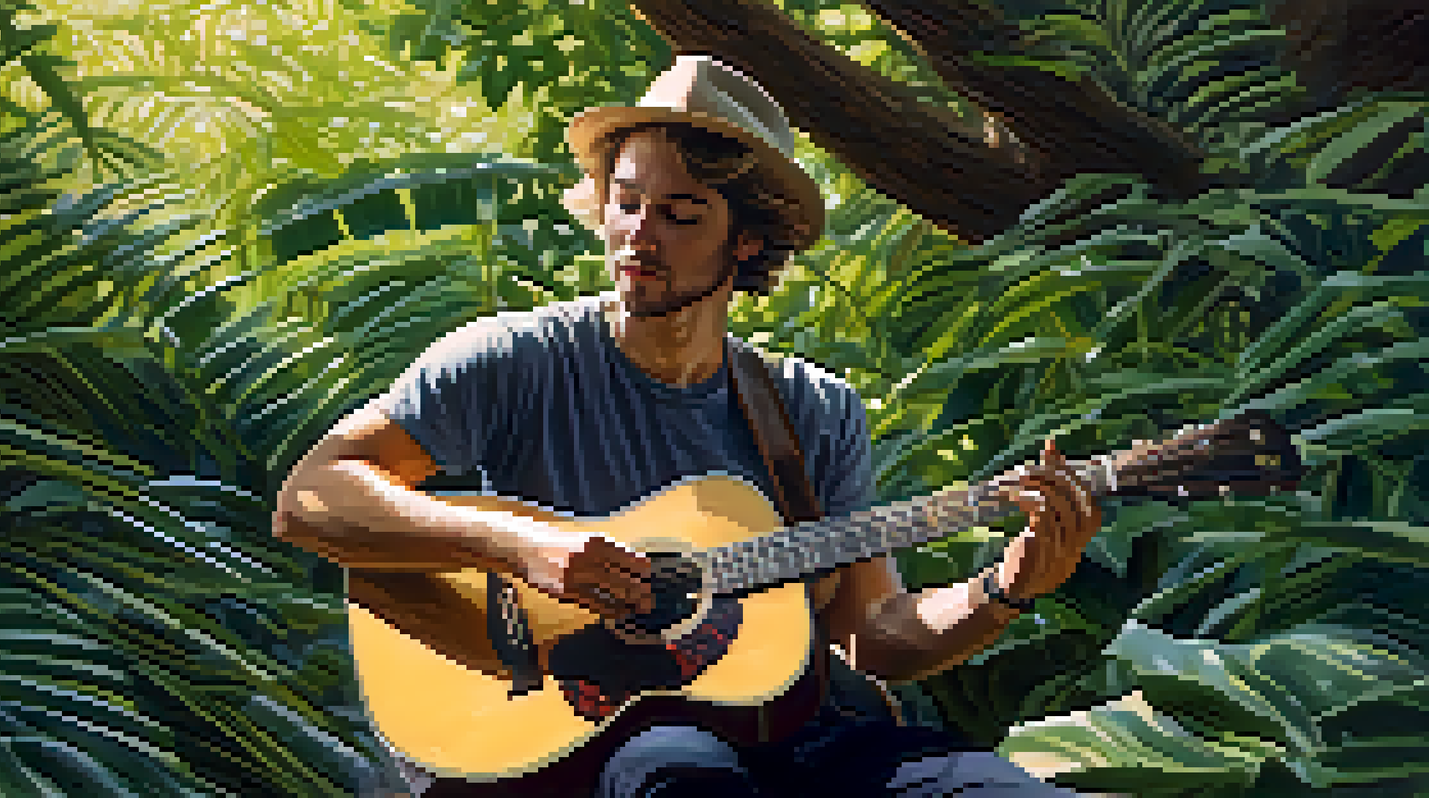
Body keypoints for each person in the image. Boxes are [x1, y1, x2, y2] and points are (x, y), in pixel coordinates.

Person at [274, 55, 1104, 797]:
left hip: (805, 736)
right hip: (611, 739)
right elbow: (309, 497)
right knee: (675, 766)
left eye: (679, 214)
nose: (638, 235)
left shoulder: (810, 410)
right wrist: (515, 545)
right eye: (626, 203)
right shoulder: (514, 360)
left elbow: (870, 635)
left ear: (745, 242)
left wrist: (1005, 589)